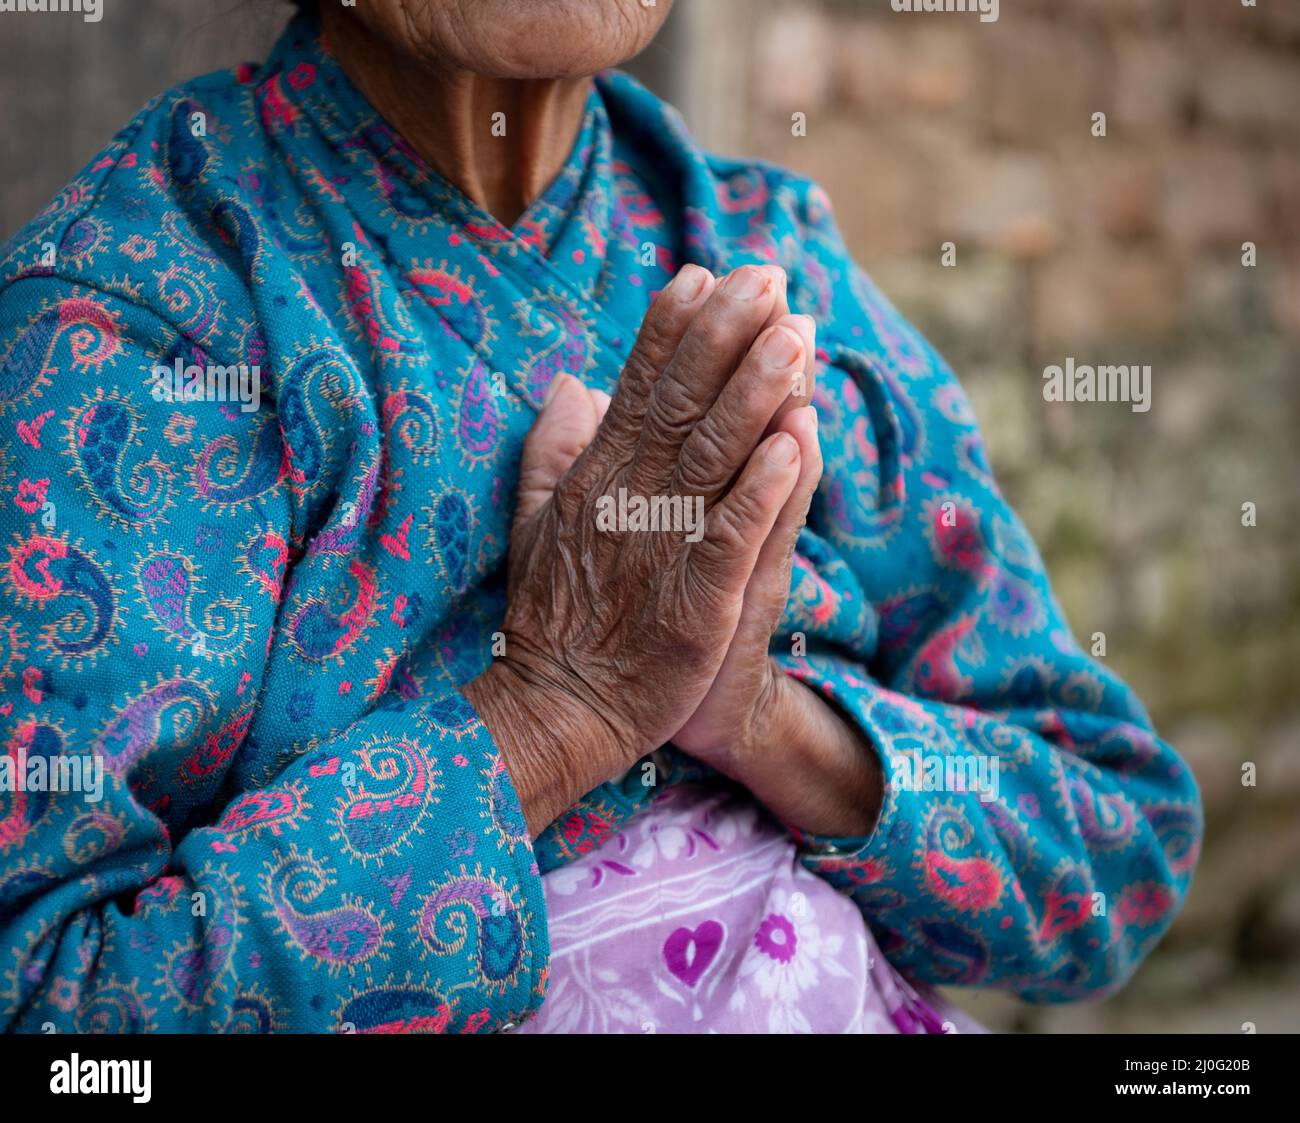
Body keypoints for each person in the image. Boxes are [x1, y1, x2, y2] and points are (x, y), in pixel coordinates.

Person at [0, 0, 1201, 1033]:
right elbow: (49, 1009)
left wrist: (768, 721)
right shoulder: (144, 322)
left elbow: (1115, 853)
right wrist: (551, 712)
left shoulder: (774, 264)